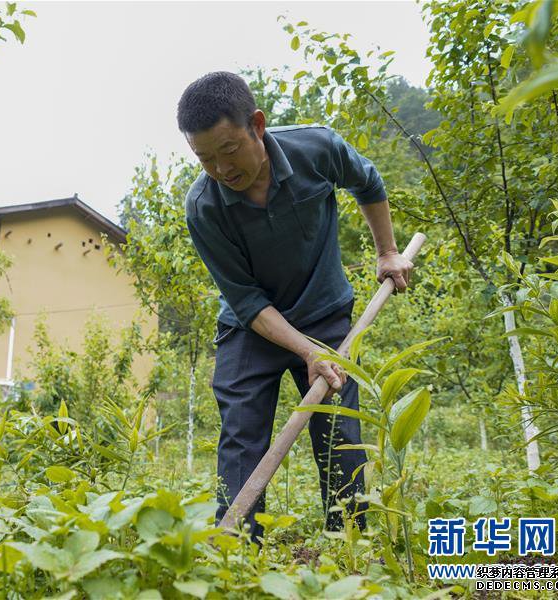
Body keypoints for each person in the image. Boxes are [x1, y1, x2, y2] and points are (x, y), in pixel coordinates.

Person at [178, 71, 413, 543]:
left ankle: (347, 545)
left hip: (324, 314)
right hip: (252, 330)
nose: (221, 169)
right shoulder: (204, 207)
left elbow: (368, 182)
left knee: (341, 436)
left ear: (257, 125)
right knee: (241, 437)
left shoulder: (316, 148)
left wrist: (387, 251)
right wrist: (306, 352)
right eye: (205, 158)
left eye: (229, 150)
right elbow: (246, 300)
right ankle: (237, 551)